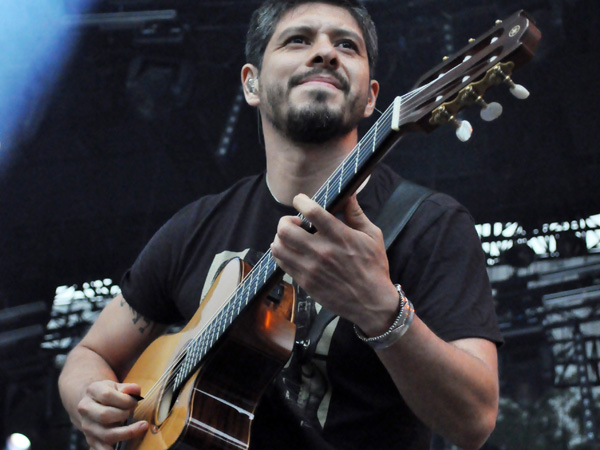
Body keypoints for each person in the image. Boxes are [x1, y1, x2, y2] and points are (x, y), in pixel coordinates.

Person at [58, 1, 503, 449]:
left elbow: (474, 420)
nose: (325, 53)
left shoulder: (430, 224)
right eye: (298, 40)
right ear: (251, 84)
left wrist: (380, 308)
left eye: (346, 45)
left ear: (371, 98)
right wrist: (89, 401)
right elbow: (89, 355)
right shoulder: (195, 226)